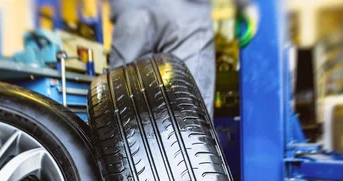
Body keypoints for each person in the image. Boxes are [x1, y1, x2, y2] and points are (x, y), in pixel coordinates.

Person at [110, 0, 257, 116]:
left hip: (130, 10)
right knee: (189, 110)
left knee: (124, 107)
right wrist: (244, 5)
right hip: (185, 11)